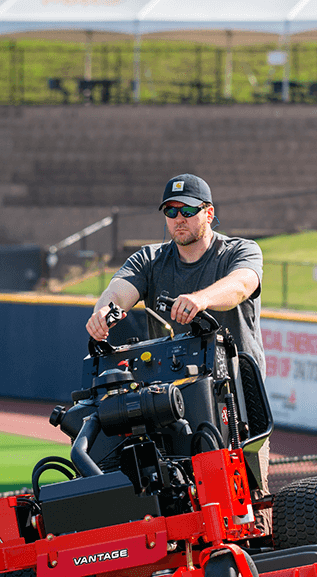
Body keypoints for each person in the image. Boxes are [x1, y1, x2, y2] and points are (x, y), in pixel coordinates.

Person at [86, 173, 270, 535]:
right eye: (171, 211)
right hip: (171, 400)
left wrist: (202, 299)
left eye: (188, 209)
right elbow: (119, 291)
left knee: (248, 503)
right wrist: (104, 314)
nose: (179, 218)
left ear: (209, 213)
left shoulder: (240, 250)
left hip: (233, 397)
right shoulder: (151, 259)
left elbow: (242, 284)